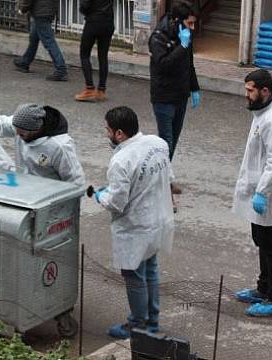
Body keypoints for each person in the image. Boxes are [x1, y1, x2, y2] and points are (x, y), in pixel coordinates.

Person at [93, 106, 174, 339]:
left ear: (119, 134)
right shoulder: (157, 143)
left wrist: (101, 196)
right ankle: (152, 321)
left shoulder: (120, 160)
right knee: (150, 270)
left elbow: (116, 203)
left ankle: (137, 325)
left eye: (108, 130)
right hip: (158, 219)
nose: (106, 134)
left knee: (134, 277)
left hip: (135, 227)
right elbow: (168, 176)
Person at [232, 69, 272, 317]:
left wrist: (263, 192)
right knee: (262, 240)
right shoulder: (263, 112)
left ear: (265, 91)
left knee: (271, 245)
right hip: (262, 192)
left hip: (271, 195)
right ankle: (263, 288)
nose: (246, 95)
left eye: (250, 90)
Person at [149, 0, 200, 195]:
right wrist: (182, 46)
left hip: (180, 96)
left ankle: (163, 178)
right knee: (166, 142)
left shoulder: (185, 35)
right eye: (190, 23)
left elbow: (189, 64)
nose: (192, 28)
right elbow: (163, 65)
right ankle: (160, 183)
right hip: (163, 96)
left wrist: (194, 88)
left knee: (173, 141)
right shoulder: (159, 38)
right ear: (177, 21)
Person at [0, 103, 85, 186]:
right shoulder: (21, 124)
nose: (17, 134)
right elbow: (1, 123)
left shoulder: (60, 146)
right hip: (24, 187)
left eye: (22, 133)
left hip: (48, 196)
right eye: (16, 129)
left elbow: (75, 179)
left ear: (36, 129)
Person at [13, 0, 68, 81]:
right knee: (34, 38)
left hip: (40, 12)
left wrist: (22, 9)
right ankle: (24, 62)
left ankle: (61, 68)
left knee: (49, 42)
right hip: (47, 11)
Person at [74, 0, 114, 102]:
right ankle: (101, 90)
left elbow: (84, 6)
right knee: (103, 56)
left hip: (93, 21)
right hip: (108, 22)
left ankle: (89, 88)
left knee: (84, 54)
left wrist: (85, 11)